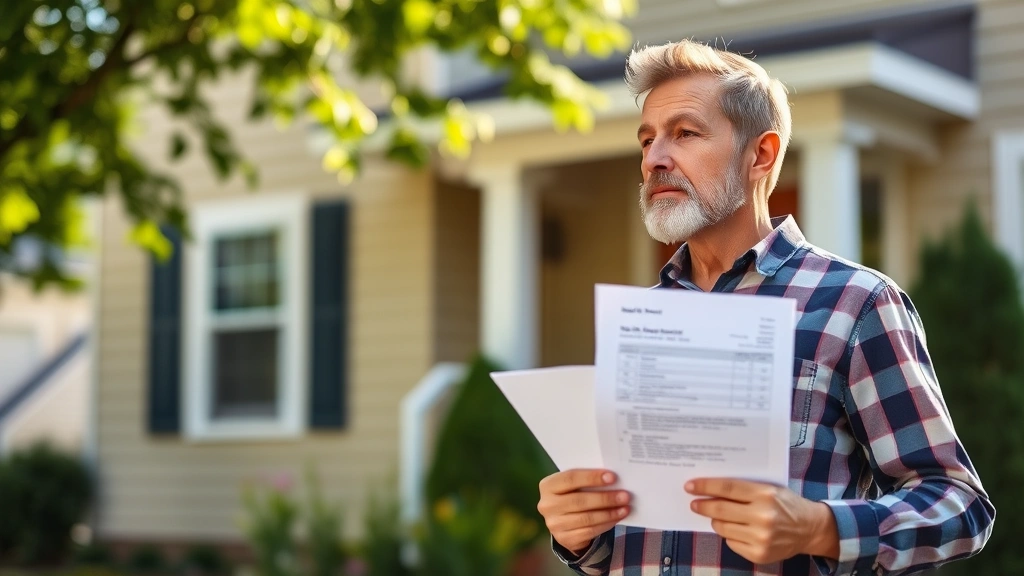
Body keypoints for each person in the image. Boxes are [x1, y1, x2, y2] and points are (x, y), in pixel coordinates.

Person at [536, 39, 995, 576]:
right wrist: (580, 535)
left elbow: (960, 507)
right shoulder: (642, 321)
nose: (655, 158)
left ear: (762, 155)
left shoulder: (857, 304)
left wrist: (819, 527)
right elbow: (629, 543)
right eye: (647, 140)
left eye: (684, 133)